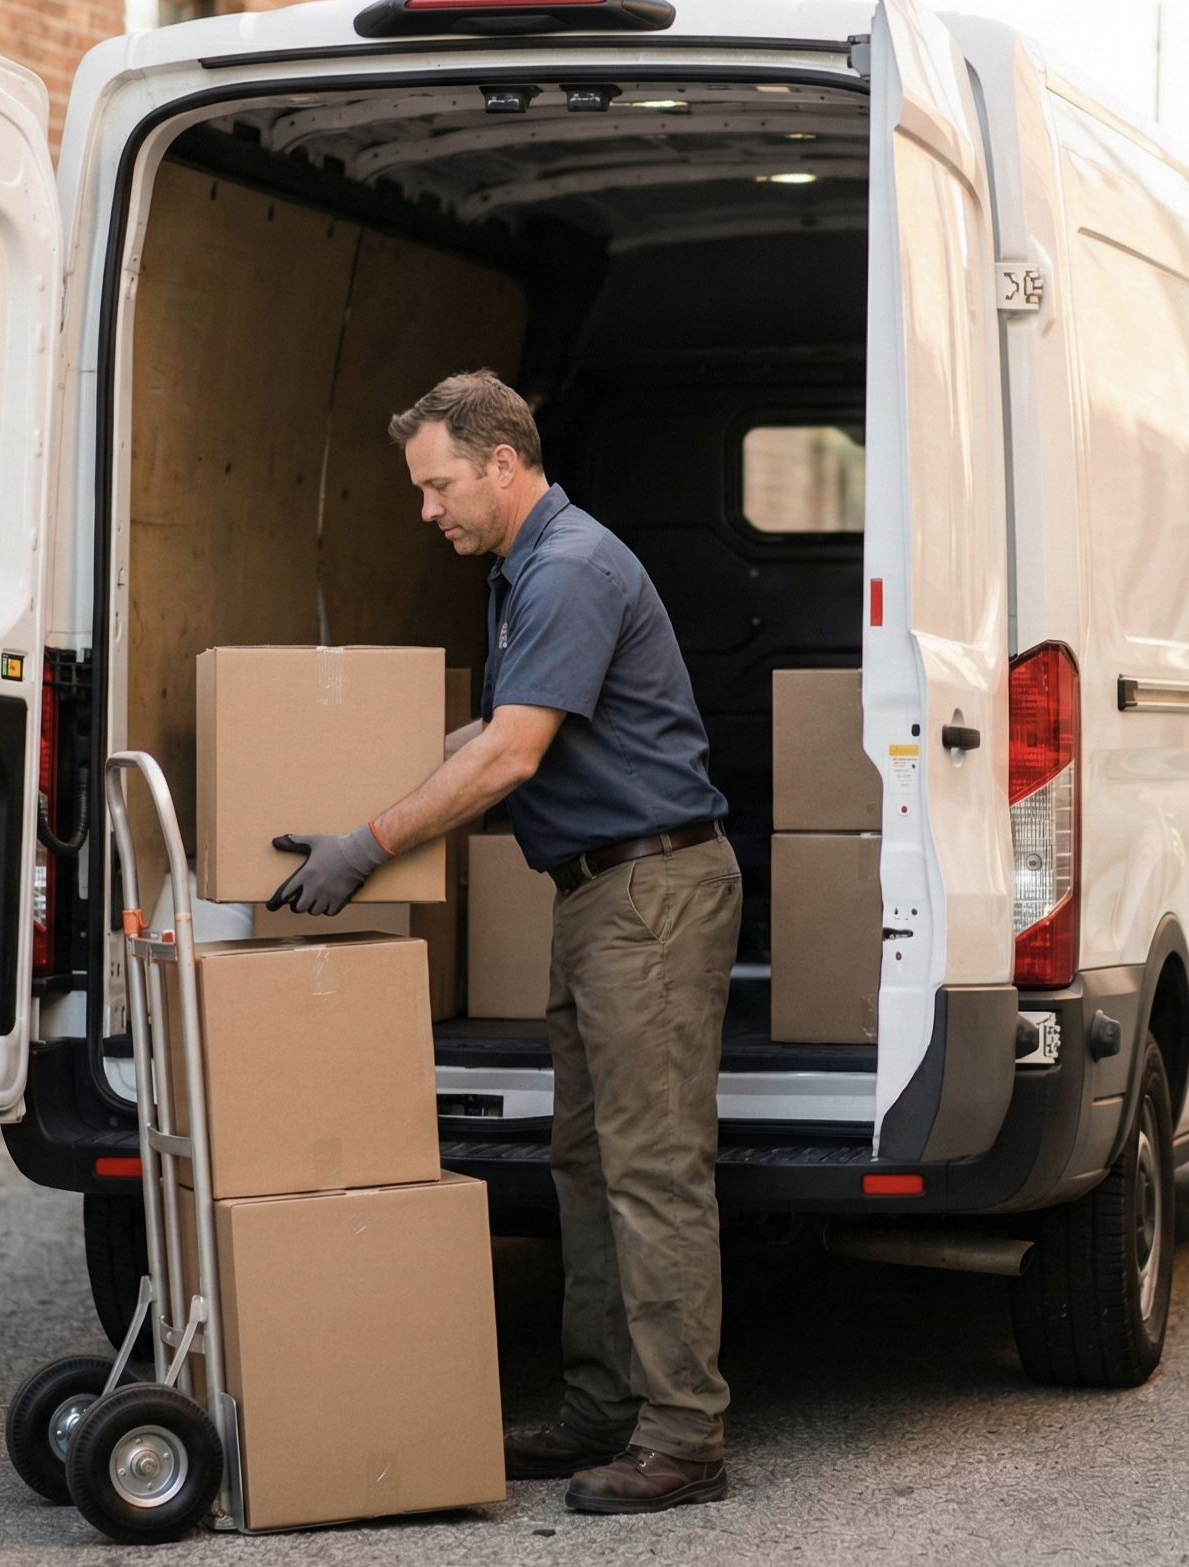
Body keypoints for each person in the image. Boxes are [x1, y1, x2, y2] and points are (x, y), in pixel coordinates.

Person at [268, 370, 741, 1515]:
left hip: (647, 894)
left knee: (651, 1171)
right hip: (598, 895)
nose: (426, 510)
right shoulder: (529, 567)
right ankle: (596, 1406)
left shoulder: (568, 567)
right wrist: (357, 774)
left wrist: (366, 843)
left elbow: (509, 754)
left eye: (437, 486)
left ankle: (683, 1436)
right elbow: (493, 725)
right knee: (584, 1163)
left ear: (500, 462)